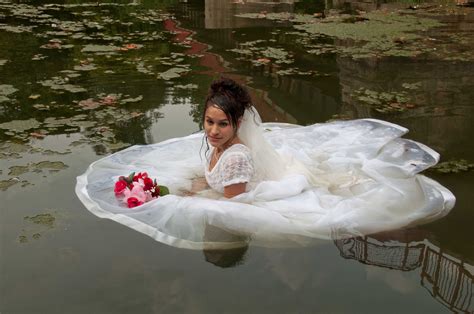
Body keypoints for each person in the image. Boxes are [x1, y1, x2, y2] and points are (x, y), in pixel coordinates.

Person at [76, 78, 456, 250]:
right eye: (208, 122)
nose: (212, 131)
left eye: (222, 124)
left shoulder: (237, 158)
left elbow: (236, 201)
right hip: (240, 180)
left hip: (252, 192)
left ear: (237, 124)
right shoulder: (220, 146)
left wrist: (186, 193)